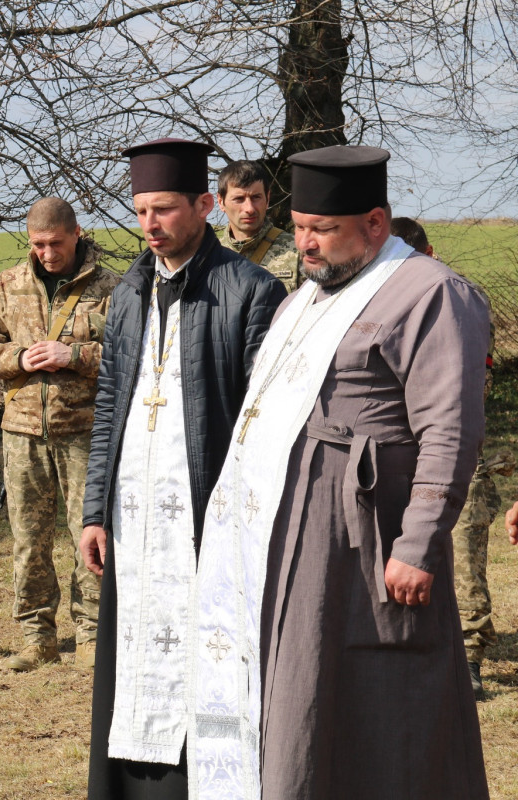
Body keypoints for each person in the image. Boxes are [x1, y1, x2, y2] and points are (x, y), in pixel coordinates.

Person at [189, 146, 489, 800]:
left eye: (320, 230)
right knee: (301, 690)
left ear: (376, 224)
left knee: (383, 704)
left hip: (365, 539)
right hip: (291, 531)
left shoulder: (429, 294)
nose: (304, 245)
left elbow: (450, 427)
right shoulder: (308, 299)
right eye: (298, 228)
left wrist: (417, 544)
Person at [79, 139, 285, 798]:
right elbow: (110, 403)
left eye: (163, 209)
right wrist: (94, 510)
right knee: (130, 660)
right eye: (140, 211)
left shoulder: (251, 291)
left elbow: (265, 423)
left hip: (206, 526)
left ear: (203, 205)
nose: (150, 224)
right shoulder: (130, 292)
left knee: (210, 669)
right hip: (134, 527)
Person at [0, 198, 118, 672]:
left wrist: (74, 357)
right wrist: (17, 359)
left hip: (86, 432)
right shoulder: (6, 286)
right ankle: (37, 636)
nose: (48, 253)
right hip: (22, 433)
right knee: (28, 539)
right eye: (38, 244)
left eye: (55, 243)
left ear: (77, 234)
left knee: (89, 537)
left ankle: (94, 633)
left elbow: (129, 352)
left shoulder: (113, 287)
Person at [391, 216, 510, 699]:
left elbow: (462, 392)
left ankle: (471, 657)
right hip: (396, 456)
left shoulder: (458, 302)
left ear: (431, 253)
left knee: (463, 559)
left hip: (458, 455)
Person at [215, 160, 303, 291]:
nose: (249, 208)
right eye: (239, 199)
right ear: (221, 202)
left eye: (256, 197)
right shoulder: (208, 255)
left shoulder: (297, 253)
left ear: (267, 199)